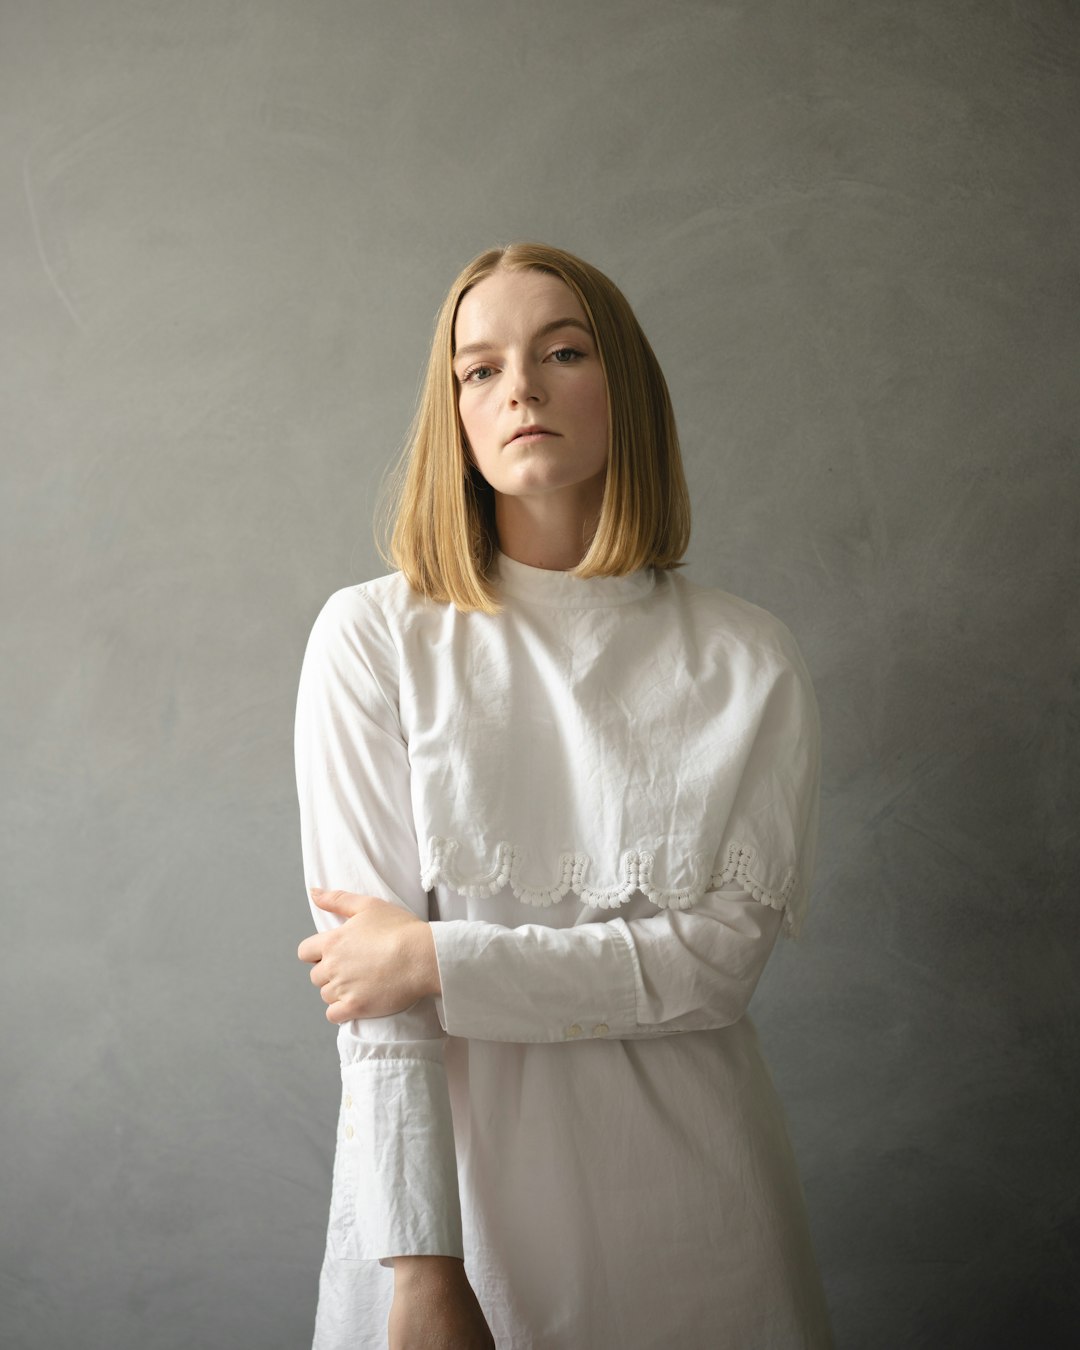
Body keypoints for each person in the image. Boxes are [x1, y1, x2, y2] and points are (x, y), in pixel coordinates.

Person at [294, 242, 833, 1350]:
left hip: (698, 1212)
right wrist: (422, 1271)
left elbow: (718, 971)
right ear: (451, 413)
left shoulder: (748, 658)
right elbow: (373, 1001)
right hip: (455, 1205)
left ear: (621, 388)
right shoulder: (374, 639)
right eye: (478, 369)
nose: (521, 388)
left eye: (563, 351)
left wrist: (439, 958)